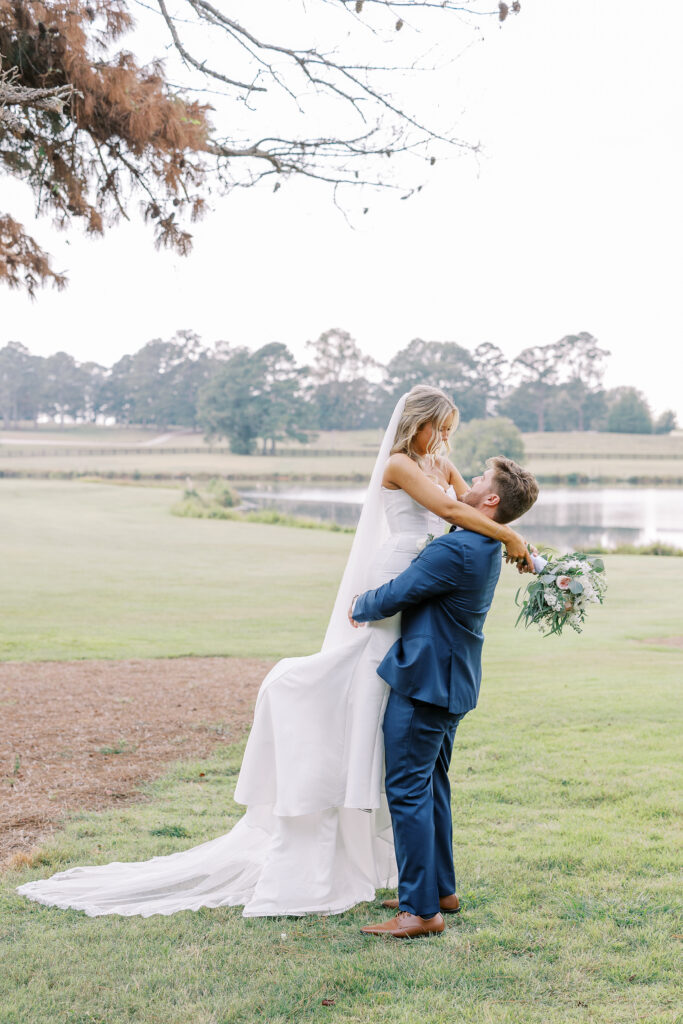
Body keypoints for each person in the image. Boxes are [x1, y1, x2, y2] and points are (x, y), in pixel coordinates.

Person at [16, 387, 533, 919]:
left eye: (450, 430)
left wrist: (508, 531)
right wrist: (515, 542)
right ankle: (353, 783)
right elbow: (455, 508)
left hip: (416, 594)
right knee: (363, 674)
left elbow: (475, 502)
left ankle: (422, 887)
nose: (445, 440)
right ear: (416, 423)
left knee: (403, 741)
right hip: (397, 571)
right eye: (439, 428)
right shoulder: (401, 463)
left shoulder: (440, 465)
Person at [349, 457, 540, 938]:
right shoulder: (486, 545)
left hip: (425, 684)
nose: (467, 483)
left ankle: (419, 910)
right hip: (452, 682)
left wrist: (358, 605)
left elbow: (398, 593)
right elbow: (456, 502)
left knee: (408, 791)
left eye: (480, 481)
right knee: (432, 786)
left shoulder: (458, 550)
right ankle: (441, 890)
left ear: (492, 500)